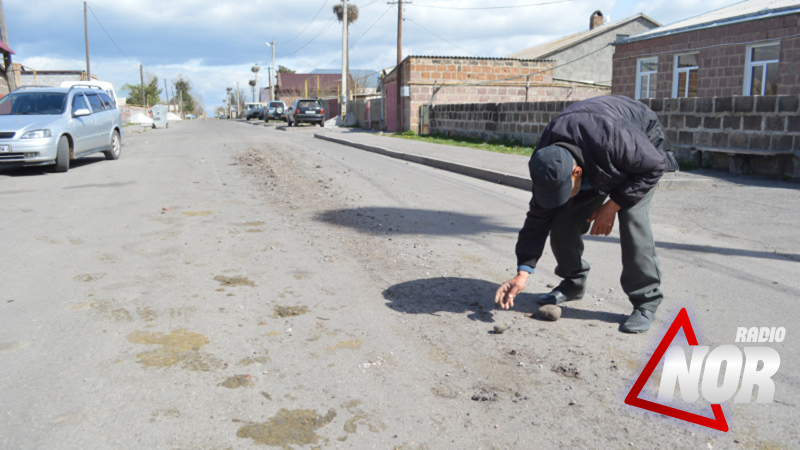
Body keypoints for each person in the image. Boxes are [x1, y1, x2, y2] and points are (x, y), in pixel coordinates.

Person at [494, 95, 678, 333]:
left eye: (565, 190)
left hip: (639, 163)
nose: (564, 197)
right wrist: (522, 273)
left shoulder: (612, 137)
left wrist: (612, 206)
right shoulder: (547, 160)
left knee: (632, 220)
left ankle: (646, 302)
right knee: (562, 221)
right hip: (599, 163)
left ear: (576, 172)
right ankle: (573, 283)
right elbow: (537, 220)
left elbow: (654, 166)